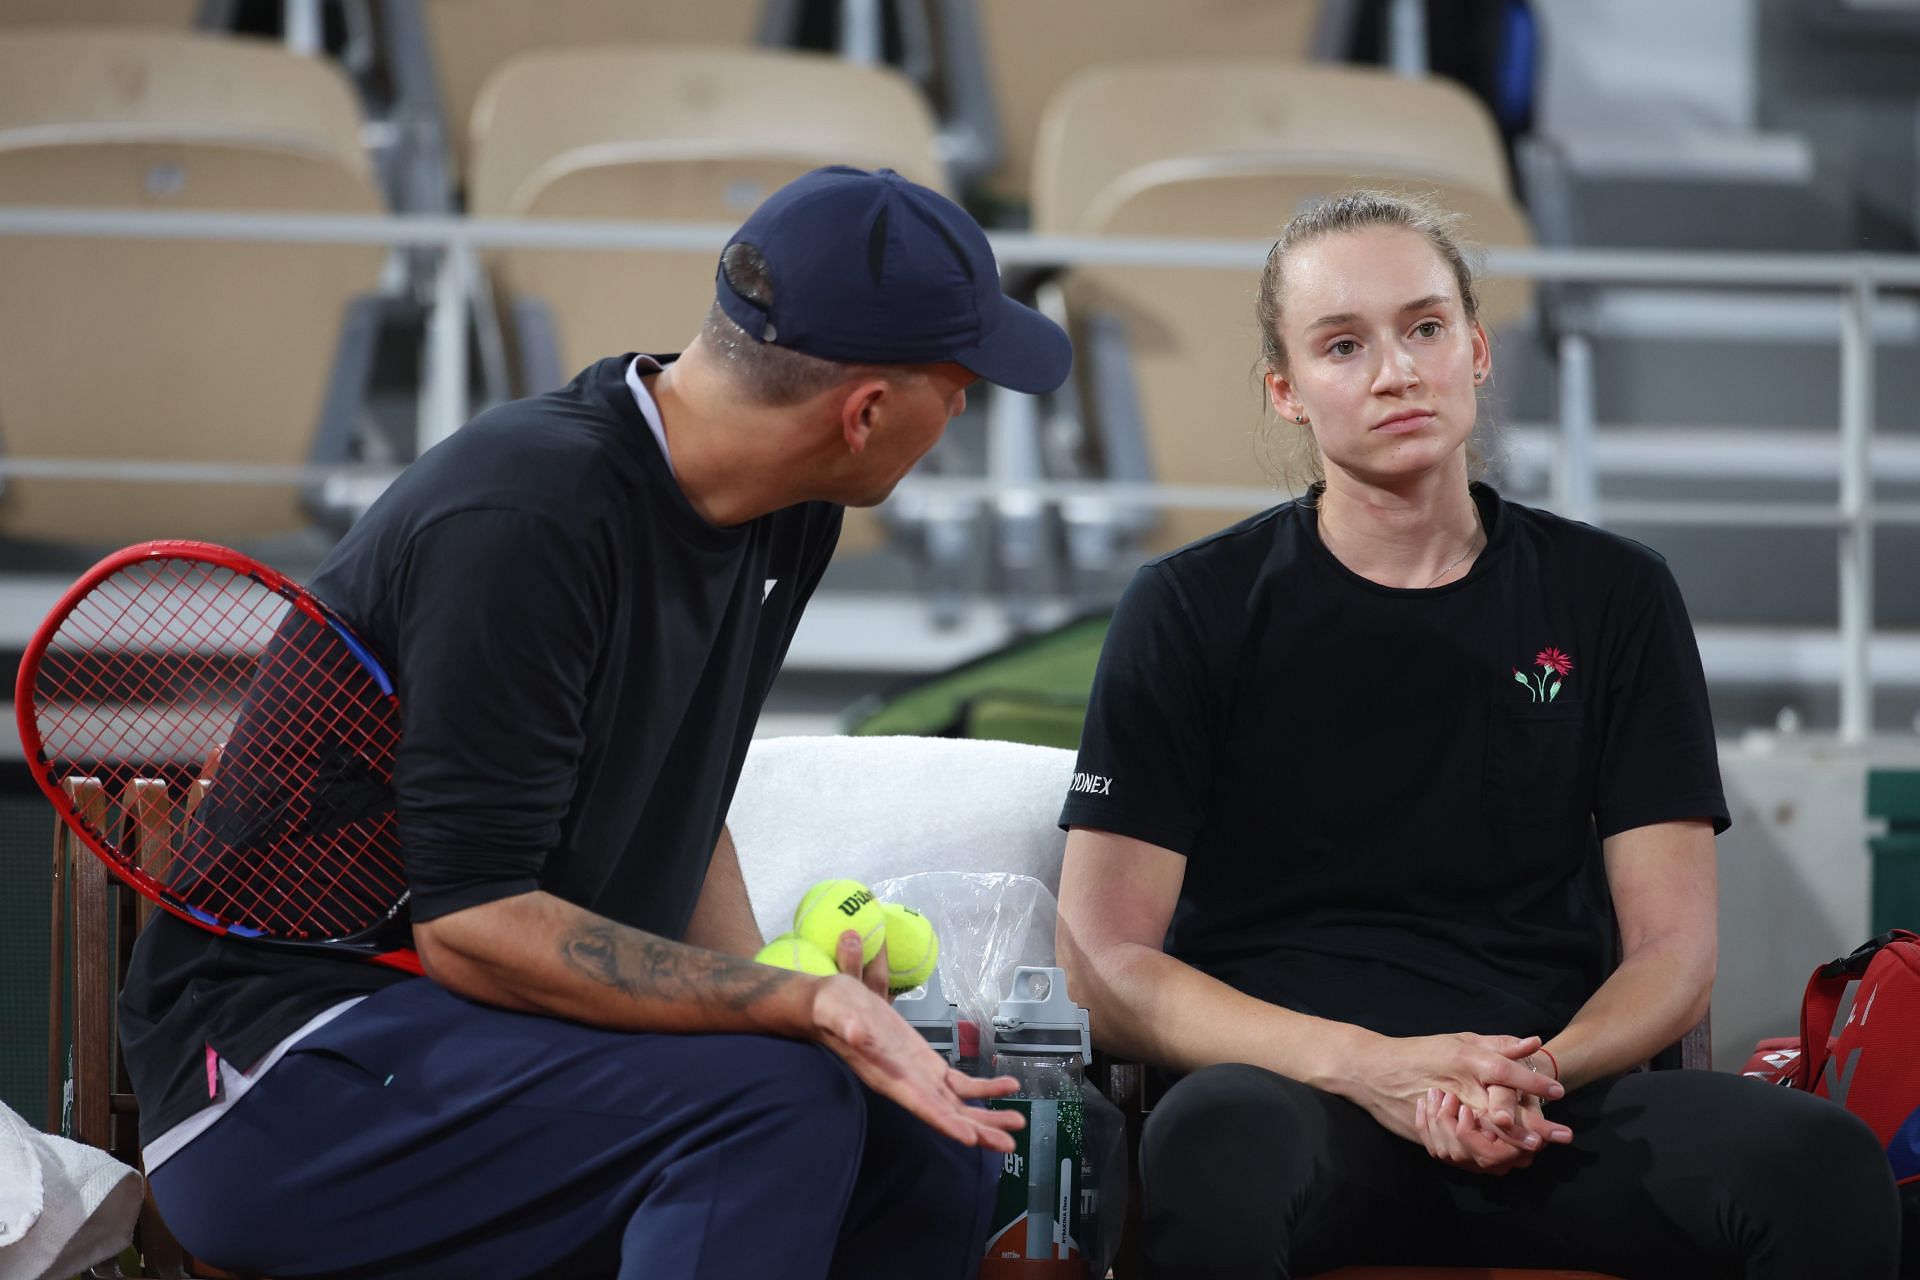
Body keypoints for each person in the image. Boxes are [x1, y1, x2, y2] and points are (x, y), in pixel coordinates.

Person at [120, 166, 1073, 1279]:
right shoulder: (526, 517)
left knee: (925, 1131)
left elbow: (691, 790)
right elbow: (472, 924)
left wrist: (792, 995)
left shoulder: (791, 511)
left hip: (489, 1041)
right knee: (773, 1102)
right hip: (282, 1070)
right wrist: (790, 1002)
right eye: (956, 384)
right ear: (863, 414)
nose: (963, 410)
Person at [1054, 189, 1901, 1278]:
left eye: (1424, 328)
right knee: (1211, 1142)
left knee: (1824, 1161)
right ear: (1287, 392)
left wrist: (1524, 1075)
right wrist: (1372, 1068)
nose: (1397, 369)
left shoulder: (1615, 595)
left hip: (1550, 1106)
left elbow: (1675, 954)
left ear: (1478, 349)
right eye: (1344, 344)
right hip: (1302, 1100)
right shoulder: (1187, 607)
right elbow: (1103, 961)